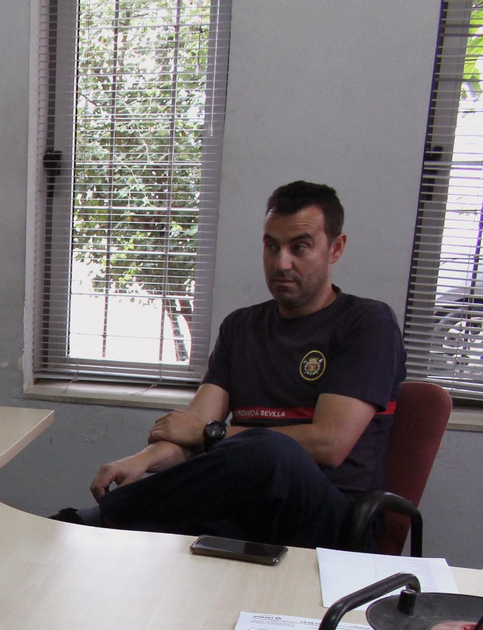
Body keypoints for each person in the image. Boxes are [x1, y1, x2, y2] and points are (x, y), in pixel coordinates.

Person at [59, 182, 406, 549]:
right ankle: (88, 534)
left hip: (334, 520)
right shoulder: (241, 327)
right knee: (156, 547)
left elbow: (329, 443)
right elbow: (193, 429)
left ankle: (101, 520)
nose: (281, 263)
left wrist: (211, 434)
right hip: (248, 507)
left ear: (335, 248)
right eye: (271, 246)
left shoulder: (368, 323)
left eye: (299, 248)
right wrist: (143, 460)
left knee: (271, 451)